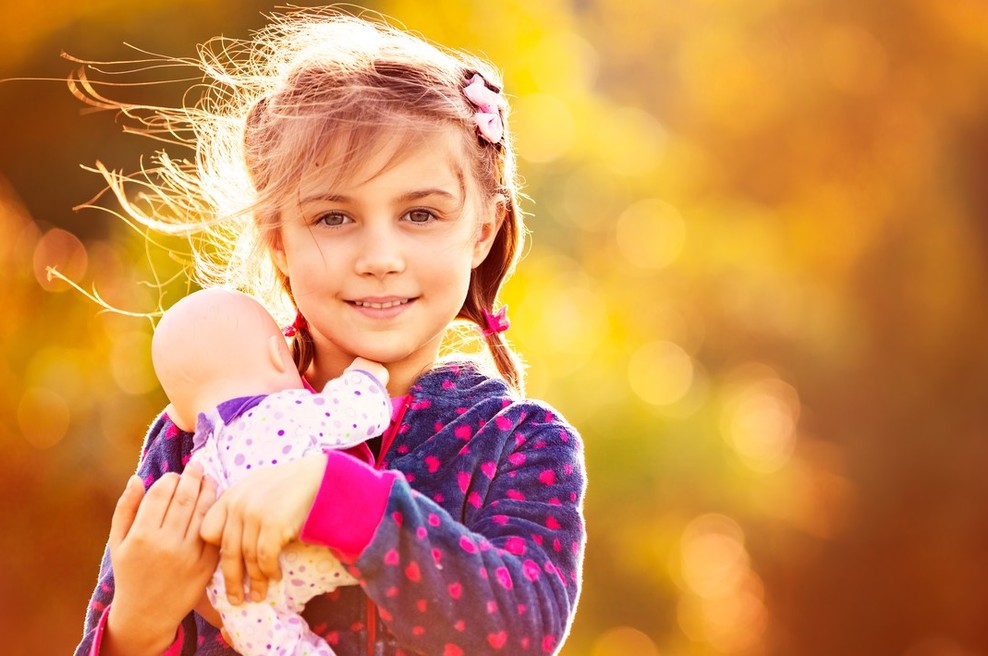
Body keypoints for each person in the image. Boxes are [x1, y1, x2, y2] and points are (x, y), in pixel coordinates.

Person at [74, 7, 586, 656]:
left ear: (482, 229)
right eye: (334, 218)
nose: (379, 256)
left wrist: (338, 495)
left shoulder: (516, 443)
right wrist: (138, 625)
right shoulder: (195, 437)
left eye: (421, 213)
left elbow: (523, 627)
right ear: (278, 241)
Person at [150, 286, 392, 656]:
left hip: (242, 581)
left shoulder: (199, 462)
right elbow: (357, 416)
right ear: (280, 355)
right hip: (312, 540)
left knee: (260, 631)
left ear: (179, 417)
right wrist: (365, 379)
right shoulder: (283, 410)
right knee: (380, 550)